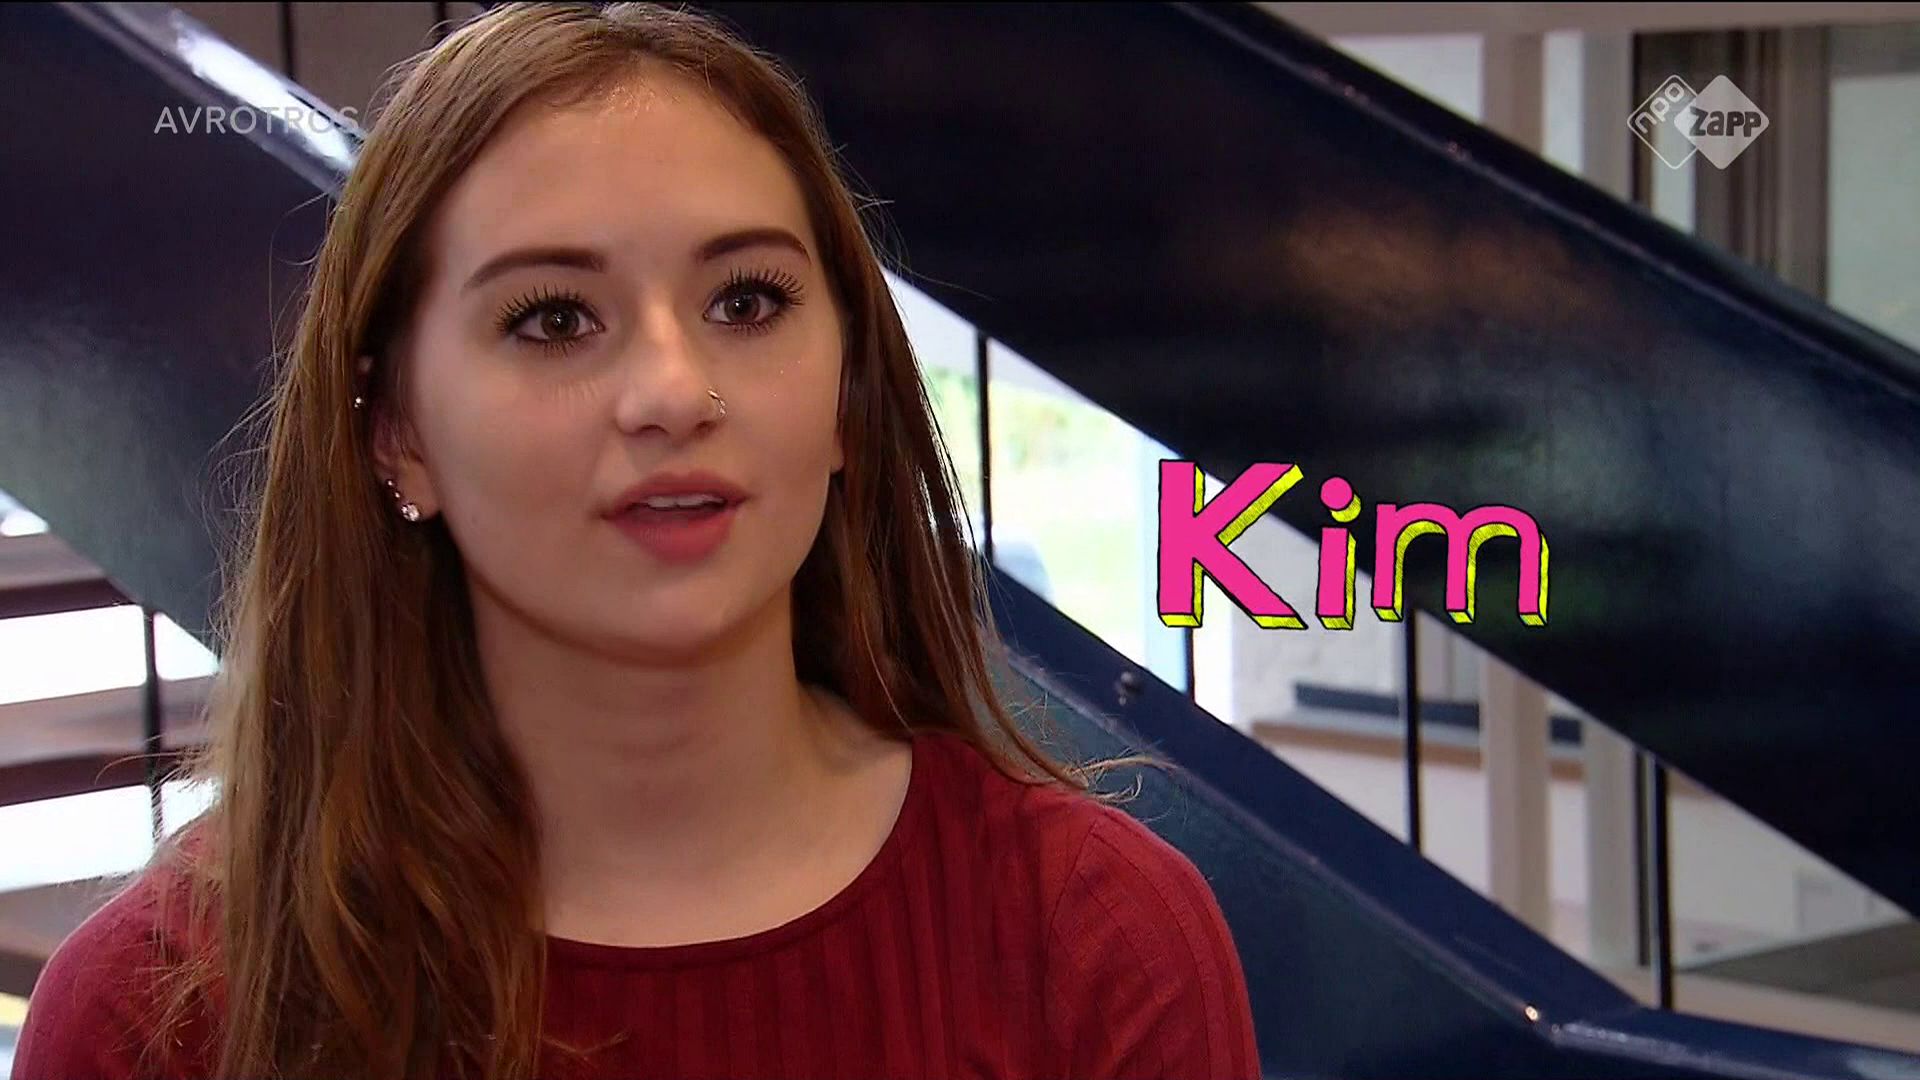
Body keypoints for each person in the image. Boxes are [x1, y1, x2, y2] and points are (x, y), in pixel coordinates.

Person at [11, 4, 1261, 1078]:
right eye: (555, 319)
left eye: (746, 301)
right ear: (398, 434)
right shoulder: (160, 1015)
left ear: (846, 399)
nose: (674, 390)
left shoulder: (1098, 941)